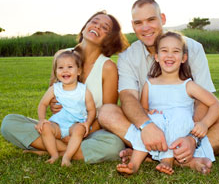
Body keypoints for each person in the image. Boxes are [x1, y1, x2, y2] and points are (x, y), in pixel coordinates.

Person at [98, 0, 219, 173]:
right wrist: (147, 126)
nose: (145, 28)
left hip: (185, 124)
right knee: (106, 112)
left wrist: (191, 138)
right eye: (138, 23)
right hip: (152, 125)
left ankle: (151, 154)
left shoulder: (192, 48)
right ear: (133, 25)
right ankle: (181, 159)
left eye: (151, 20)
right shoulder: (128, 56)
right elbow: (128, 97)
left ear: (163, 19)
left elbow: (204, 100)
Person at [1, 11, 129, 163]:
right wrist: (54, 104)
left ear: (109, 38)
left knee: (114, 145)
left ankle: (50, 150)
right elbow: (53, 95)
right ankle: (69, 150)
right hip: (59, 127)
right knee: (9, 122)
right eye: (94, 21)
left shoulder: (108, 67)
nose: (97, 26)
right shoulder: (61, 55)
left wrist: (82, 132)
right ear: (85, 27)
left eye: (104, 27)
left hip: (90, 130)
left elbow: (107, 113)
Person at [116, 31, 219, 175]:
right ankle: (134, 164)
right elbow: (144, 109)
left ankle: (167, 160)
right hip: (157, 132)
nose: (170, 55)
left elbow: (215, 104)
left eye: (176, 51)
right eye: (164, 51)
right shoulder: (149, 84)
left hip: (180, 129)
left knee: (180, 117)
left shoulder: (188, 85)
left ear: (183, 58)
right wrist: (148, 113)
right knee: (150, 124)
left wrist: (204, 124)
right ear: (157, 57)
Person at [36, 49, 96, 166]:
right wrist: (42, 119)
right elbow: (42, 104)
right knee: (46, 128)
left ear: (78, 71)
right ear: (56, 71)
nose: (65, 71)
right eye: (60, 68)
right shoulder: (55, 88)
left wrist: (87, 123)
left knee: (80, 129)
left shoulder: (83, 90)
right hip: (58, 125)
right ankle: (54, 154)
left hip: (74, 125)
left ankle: (67, 157)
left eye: (69, 67)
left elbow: (91, 109)